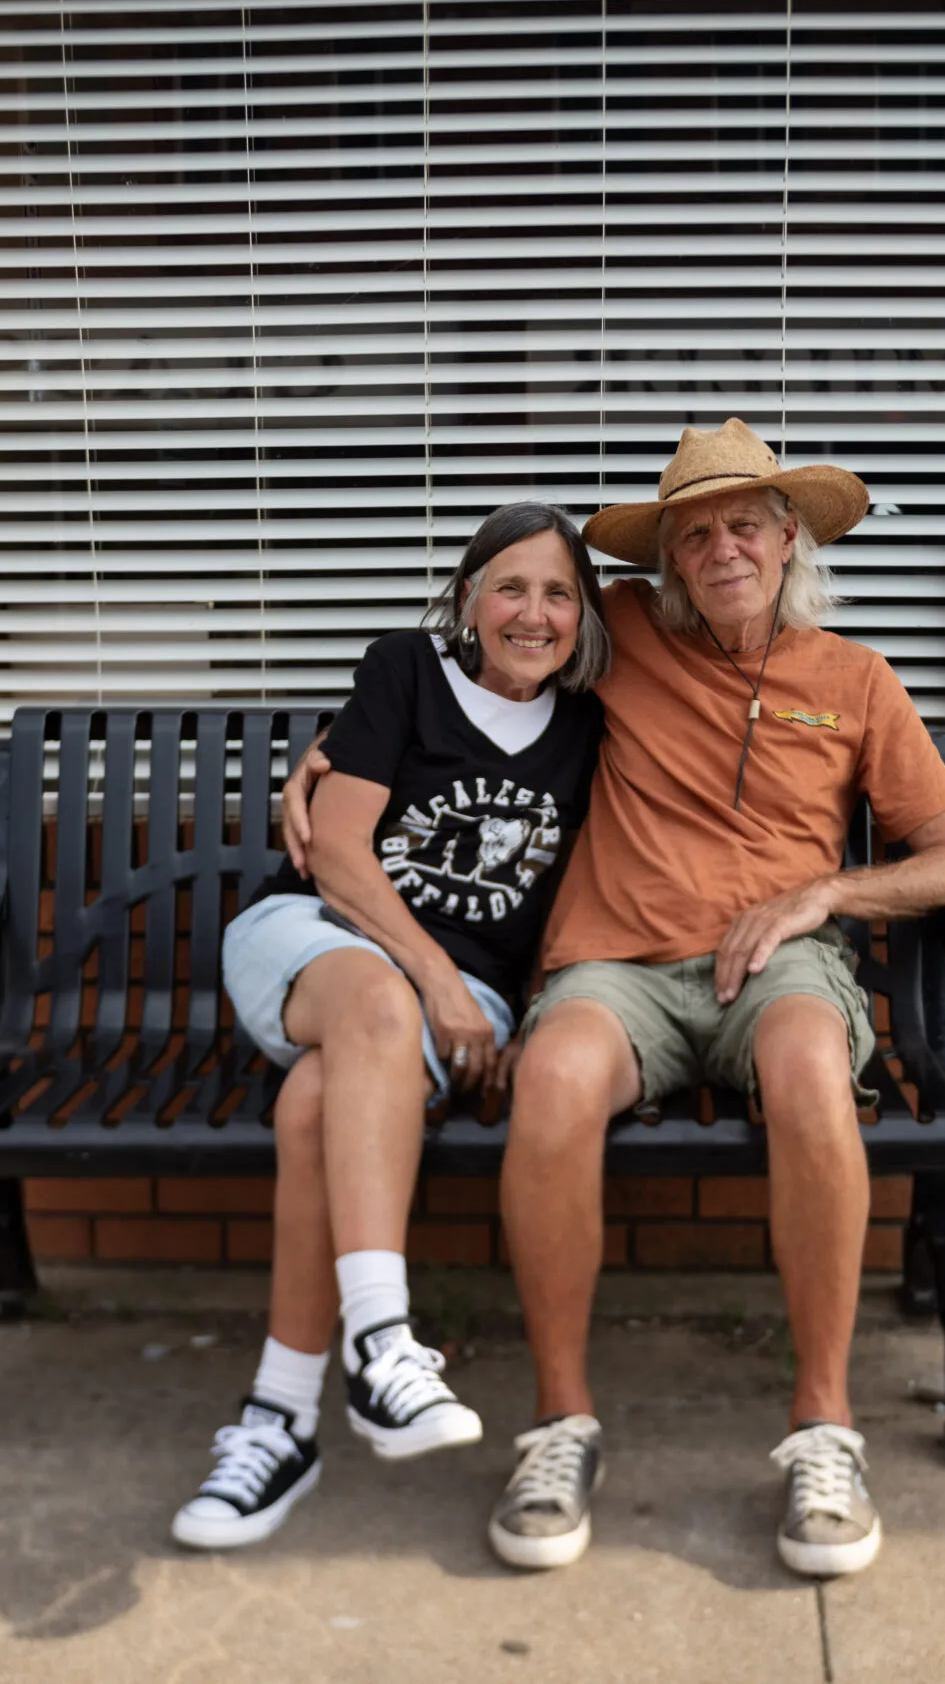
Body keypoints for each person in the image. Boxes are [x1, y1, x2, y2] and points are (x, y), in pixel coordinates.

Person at [283, 420, 945, 1579]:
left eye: (744, 526)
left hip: (779, 963)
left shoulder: (855, 679)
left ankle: (824, 1427)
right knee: (554, 1079)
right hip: (613, 964)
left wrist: (824, 891)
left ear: (787, 539)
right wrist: (327, 753)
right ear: (667, 561)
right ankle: (559, 1425)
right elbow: (478, 664)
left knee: (812, 1072)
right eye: (693, 535)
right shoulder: (618, 631)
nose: (721, 550)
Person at [171, 502, 610, 1551]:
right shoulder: (405, 670)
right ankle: (380, 1340)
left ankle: (279, 1418)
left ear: (583, 618)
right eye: (510, 586)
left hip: (463, 1001)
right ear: (468, 597)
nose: (534, 613)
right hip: (312, 940)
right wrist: (435, 977)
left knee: (313, 1102)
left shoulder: (591, 725)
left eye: (559, 593)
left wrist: (497, 998)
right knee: (373, 1003)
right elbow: (337, 852)